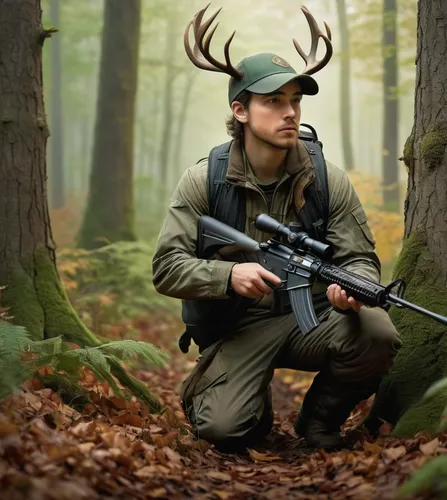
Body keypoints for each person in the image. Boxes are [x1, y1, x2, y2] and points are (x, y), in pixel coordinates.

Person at [152, 4, 401, 453]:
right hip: (238, 326)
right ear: (241, 110)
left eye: (295, 100)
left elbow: (360, 256)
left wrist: (354, 288)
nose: (290, 112)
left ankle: (318, 420)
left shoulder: (326, 177)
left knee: (379, 333)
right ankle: (234, 397)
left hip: (312, 320)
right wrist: (229, 276)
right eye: (273, 101)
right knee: (228, 430)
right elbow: (167, 267)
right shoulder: (204, 179)